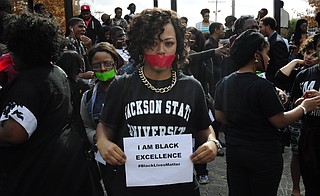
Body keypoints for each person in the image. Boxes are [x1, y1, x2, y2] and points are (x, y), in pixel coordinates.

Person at [96, 8, 219, 196]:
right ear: (140, 45)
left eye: (169, 43)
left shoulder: (192, 87)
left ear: (178, 46)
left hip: (180, 187)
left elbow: (204, 128)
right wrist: (103, 142)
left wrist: (212, 143)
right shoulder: (122, 85)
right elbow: (106, 126)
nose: (161, 50)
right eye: (152, 43)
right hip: (131, 188)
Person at [214, 29, 320, 196]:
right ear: (256, 55)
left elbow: (219, 116)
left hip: (235, 152)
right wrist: (304, 107)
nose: (269, 58)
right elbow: (280, 121)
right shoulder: (262, 86)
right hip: (263, 155)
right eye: (266, 53)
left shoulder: (224, 83)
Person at [0, 12, 94, 196]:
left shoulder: (30, 81)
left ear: (22, 49)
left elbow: (14, 132)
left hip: (34, 175)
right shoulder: (56, 73)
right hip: (61, 171)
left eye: (13, 50)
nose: (10, 54)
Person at [275, 34, 319, 196]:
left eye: (314, 54)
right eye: (308, 52)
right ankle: (296, 188)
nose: (310, 57)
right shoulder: (301, 74)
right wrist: (299, 103)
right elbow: (279, 78)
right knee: (300, 159)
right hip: (303, 126)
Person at [81, 42, 120, 196]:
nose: (103, 69)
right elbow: (86, 126)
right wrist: (98, 138)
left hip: (133, 156)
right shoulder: (88, 97)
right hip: (106, 159)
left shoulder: (131, 89)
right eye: (97, 66)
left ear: (115, 65)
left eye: (107, 64)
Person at [290, 33, 320, 196]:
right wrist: (300, 103)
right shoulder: (303, 75)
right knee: (311, 182)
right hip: (308, 135)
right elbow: (294, 102)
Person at [259, 16, 289, 90]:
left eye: (261, 27)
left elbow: (280, 66)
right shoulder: (271, 40)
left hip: (276, 83)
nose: (260, 30)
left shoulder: (277, 42)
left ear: (268, 27)